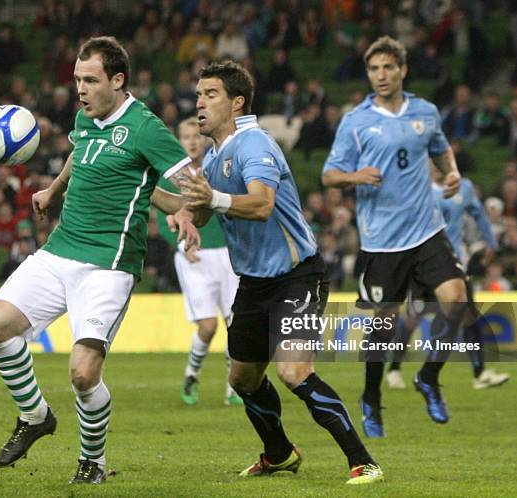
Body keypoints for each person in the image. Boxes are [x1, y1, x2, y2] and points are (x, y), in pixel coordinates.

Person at [0, 36, 199, 485]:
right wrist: (53, 189)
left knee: (83, 374)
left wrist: (188, 213)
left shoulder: (146, 128)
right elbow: (80, 156)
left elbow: (192, 183)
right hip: (60, 249)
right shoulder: (85, 117)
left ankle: (92, 463)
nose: (80, 88)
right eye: (77, 79)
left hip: (109, 264)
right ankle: (35, 415)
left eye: (90, 80)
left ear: (117, 81)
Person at [178, 61, 383, 485]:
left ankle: (364, 461)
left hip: (297, 276)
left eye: (210, 94)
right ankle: (279, 455)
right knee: (243, 378)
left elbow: (261, 204)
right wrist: (187, 211)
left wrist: (211, 199)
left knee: (293, 371)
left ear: (237, 103)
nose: (200, 102)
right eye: (198, 94)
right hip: (253, 282)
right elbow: (205, 212)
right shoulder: (215, 155)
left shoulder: (254, 144)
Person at [322, 36, 468, 438]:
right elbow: (329, 174)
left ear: (402, 69)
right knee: (382, 329)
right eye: (374, 69)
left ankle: (429, 377)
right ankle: (370, 397)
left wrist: (451, 173)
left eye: (388, 67)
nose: (381, 76)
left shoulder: (426, 112)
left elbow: (440, 151)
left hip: (427, 231)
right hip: (382, 242)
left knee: (457, 301)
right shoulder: (356, 121)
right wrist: (354, 176)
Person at [386, 166, 510, 390]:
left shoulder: (465, 187)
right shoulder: (417, 187)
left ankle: (480, 373)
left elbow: (479, 214)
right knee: (414, 317)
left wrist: (491, 243)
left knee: (470, 317)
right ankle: (394, 369)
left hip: (455, 265)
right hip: (425, 264)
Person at [156, 117, 241, 406]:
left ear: (203, 139)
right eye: (186, 136)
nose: (192, 141)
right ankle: (192, 373)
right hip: (195, 256)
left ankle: (234, 386)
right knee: (208, 326)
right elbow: (160, 215)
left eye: (196, 135)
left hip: (227, 255)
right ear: (179, 140)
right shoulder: (170, 176)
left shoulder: (217, 168)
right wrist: (182, 244)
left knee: (236, 323)